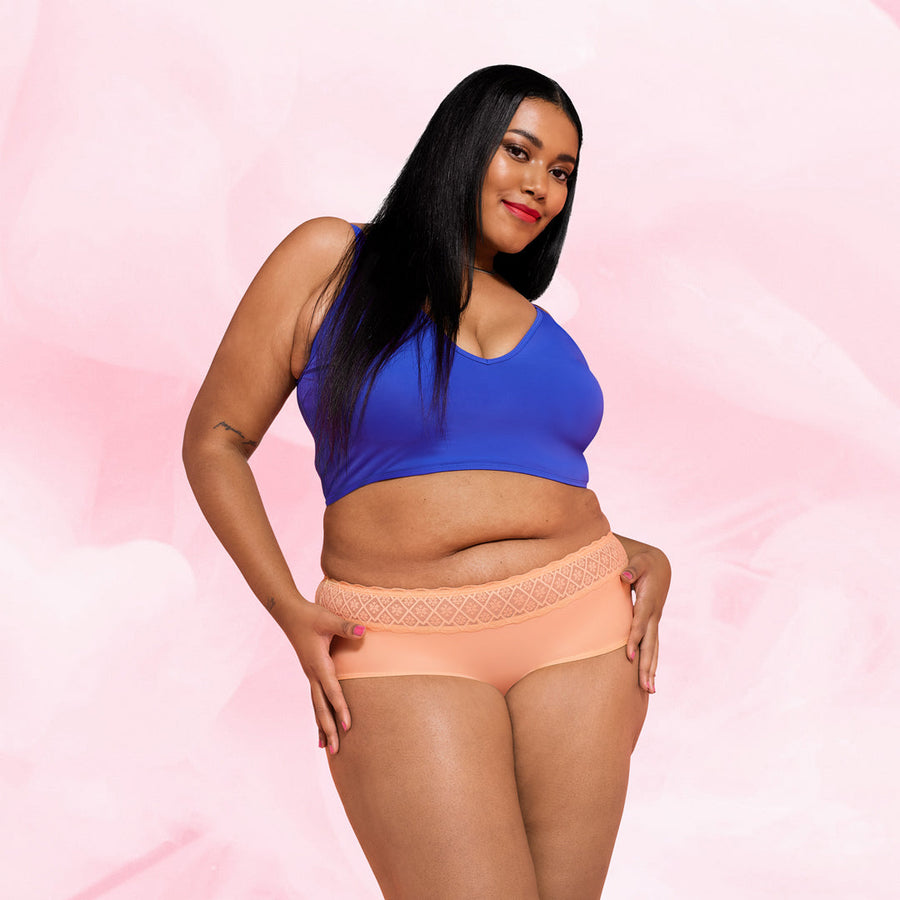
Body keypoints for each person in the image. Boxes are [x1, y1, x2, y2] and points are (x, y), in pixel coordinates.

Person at [183, 65, 670, 899]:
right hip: (397, 639)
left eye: (562, 171)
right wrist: (286, 606)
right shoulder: (332, 259)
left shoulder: (545, 327)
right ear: (462, 143)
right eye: (520, 151)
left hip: (584, 630)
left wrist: (639, 551)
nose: (542, 185)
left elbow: (521, 483)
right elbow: (216, 440)